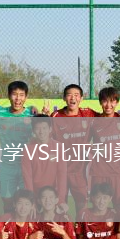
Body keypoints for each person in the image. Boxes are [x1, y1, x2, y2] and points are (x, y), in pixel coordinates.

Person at [51, 84, 98, 215]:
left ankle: (81, 228)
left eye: (76, 95)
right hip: (60, 169)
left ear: (81, 98)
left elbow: (108, 116)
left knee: (82, 204)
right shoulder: (55, 116)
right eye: (69, 95)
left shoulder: (88, 114)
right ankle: (62, 227)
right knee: (60, 204)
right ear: (64, 98)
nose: (73, 98)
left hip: (80, 169)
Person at [0, 81, 34, 213]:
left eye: (21, 95)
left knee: (26, 201)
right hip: (8, 165)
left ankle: (25, 226)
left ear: (26, 97)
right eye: (14, 94)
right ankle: (9, 224)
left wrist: (43, 114)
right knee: (7, 200)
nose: (18, 98)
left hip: (26, 165)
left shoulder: (32, 114)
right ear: (8, 96)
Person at [89, 87, 120, 210]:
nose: (108, 105)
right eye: (105, 101)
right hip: (98, 172)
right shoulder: (93, 121)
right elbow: (83, 142)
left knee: (119, 206)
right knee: (98, 206)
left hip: (118, 172)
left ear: (117, 102)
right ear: (100, 102)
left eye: (112, 101)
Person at [21, 116, 68, 213]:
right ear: (33, 130)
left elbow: (62, 175)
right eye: (38, 128)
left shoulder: (59, 147)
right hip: (36, 195)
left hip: (52, 195)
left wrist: (61, 200)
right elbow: (27, 177)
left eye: (44, 128)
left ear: (50, 129)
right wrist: (31, 201)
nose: (41, 132)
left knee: (58, 218)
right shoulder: (27, 149)